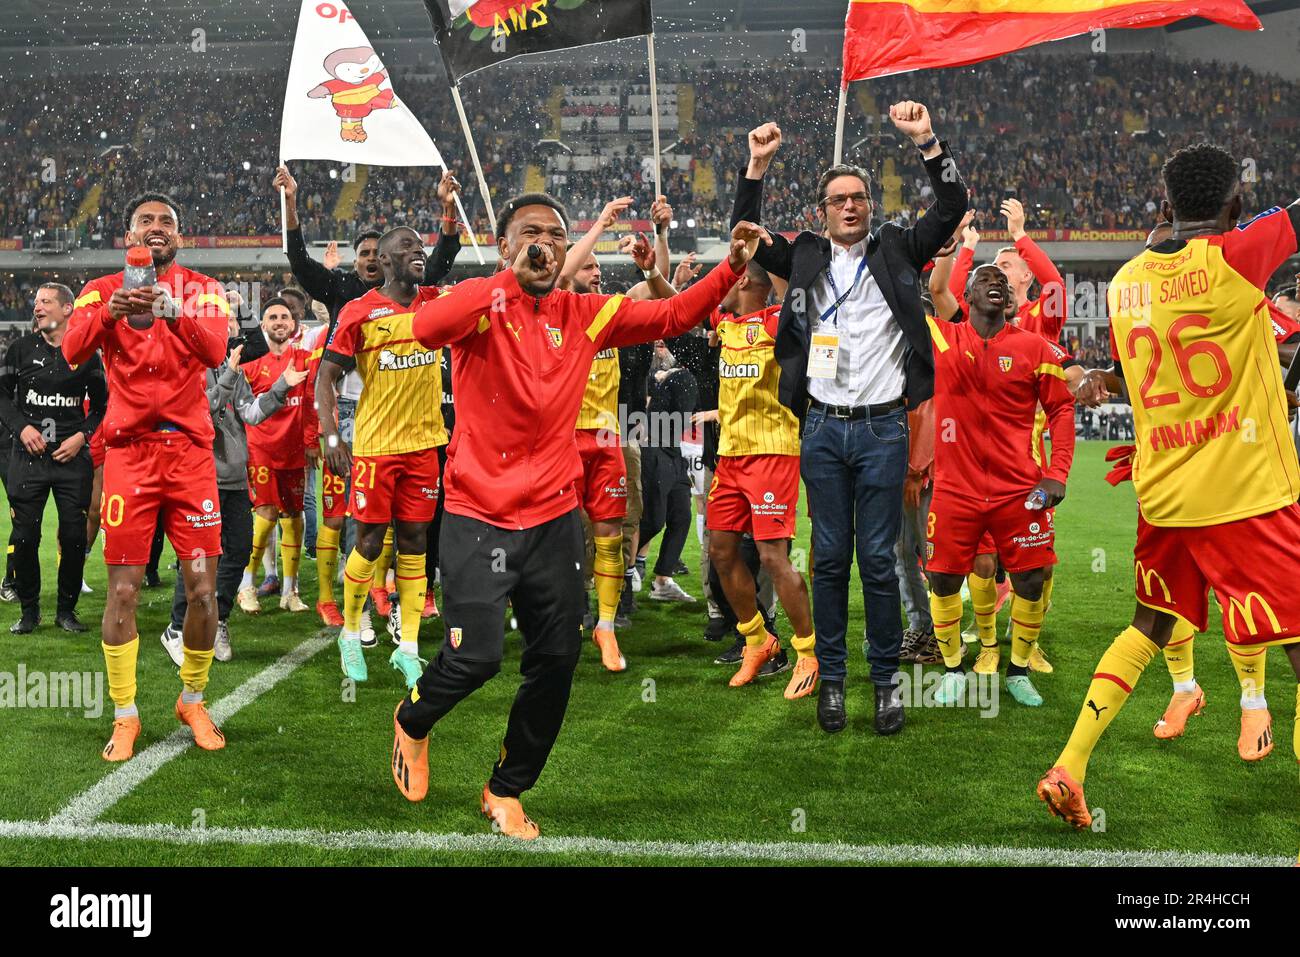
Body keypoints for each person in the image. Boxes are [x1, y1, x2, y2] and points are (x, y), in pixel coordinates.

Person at [390, 191, 768, 839]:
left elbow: (672, 313)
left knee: (556, 658)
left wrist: (729, 266)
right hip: (478, 515)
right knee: (476, 658)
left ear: (568, 249)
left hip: (552, 517)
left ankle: (506, 787)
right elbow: (425, 329)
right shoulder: (482, 300)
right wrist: (506, 279)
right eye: (528, 234)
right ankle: (413, 720)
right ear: (506, 245)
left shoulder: (586, 313)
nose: (543, 243)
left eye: (555, 234)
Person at [1038, 144, 1300, 828]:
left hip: (1165, 493)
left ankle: (1070, 762)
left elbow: (1135, 371)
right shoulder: (1238, 257)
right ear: (1235, 206)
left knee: (1148, 624)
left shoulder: (1125, 283)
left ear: (1166, 204)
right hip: (1246, 493)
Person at [732, 102, 968, 735]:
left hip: (885, 428)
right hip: (823, 428)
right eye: (838, 199)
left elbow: (950, 207)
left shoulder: (897, 248)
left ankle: (886, 683)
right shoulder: (805, 256)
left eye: (859, 197)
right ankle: (832, 681)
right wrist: (756, 166)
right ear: (823, 209)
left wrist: (926, 142)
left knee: (883, 560)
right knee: (832, 559)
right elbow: (747, 233)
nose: (850, 206)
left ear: (871, 204)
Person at [63, 192, 232, 762]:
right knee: (125, 590)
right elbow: (70, 349)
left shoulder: (202, 291)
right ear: (128, 233)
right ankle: (126, 713)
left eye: (167, 222)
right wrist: (109, 314)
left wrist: (171, 309)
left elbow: (214, 351)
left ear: (178, 237)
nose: (157, 228)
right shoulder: (101, 291)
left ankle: (192, 697)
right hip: (131, 456)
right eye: (146, 221)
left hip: (189, 457)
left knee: (203, 591)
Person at [924, 265, 1076, 708]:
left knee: (1031, 579)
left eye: (1004, 284)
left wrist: (1057, 473)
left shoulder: (1034, 347)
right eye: (986, 280)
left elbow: (1062, 411)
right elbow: (905, 290)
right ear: (966, 296)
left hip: (1020, 490)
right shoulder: (942, 338)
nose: (998, 284)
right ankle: (954, 668)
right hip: (955, 489)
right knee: (943, 578)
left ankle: (1018, 671)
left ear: (1010, 301)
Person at [316, 226, 449, 688]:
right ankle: (351, 633)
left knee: (416, 543)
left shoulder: (434, 302)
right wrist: (332, 438)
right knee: (369, 544)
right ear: (386, 261)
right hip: (375, 448)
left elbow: (449, 258)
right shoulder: (359, 311)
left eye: (421, 246)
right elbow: (325, 378)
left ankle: (408, 647)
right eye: (407, 247)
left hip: (425, 446)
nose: (419, 251)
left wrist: (449, 223)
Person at [161, 313, 301, 665]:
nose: (224, 335)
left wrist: (282, 385)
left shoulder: (229, 366)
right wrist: (229, 374)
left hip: (234, 479)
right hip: (197, 476)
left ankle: (218, 619)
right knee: (198, 556)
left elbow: (251, 413)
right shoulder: (185, 365)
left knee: (237, 551)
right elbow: (201, 409)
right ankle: (177, 627)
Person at [707, 261, 817, 697]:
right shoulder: (726, 326)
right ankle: (757, 639)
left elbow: (795, 297)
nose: (719, 288)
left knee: (773, 556)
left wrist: (770, 258)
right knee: (720, 551)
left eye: (727, 278)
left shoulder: (775, 323)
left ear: (744, 282)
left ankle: (808, 651)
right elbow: (678, 303)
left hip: (772, 452)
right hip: (730, 455)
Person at [0, 282, 107, 633]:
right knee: (26, 537)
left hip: (70, 459)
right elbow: (1, 397)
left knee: (75, 536)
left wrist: (81, 437)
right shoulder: (19, 349)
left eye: (46, 302)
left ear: (67, 310)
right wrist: (21, 428)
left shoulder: (87, 355)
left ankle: (66, 610)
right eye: (36, 302)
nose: (37, 307)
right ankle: (29, 612)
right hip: (27, 459)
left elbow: (103, 406)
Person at [235, 298, 316, 614]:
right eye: (272, 317)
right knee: (267, 517)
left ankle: (290, 591)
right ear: (264, 325)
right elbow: (241, 411)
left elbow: (310, 403)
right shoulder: (251, 365)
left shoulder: (306, 359)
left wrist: (311, 442)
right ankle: (246, 586)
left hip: (295, 451)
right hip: (262, 451)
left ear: (294, 324)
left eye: (285, 316)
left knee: (294, 519)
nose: (280, 321)